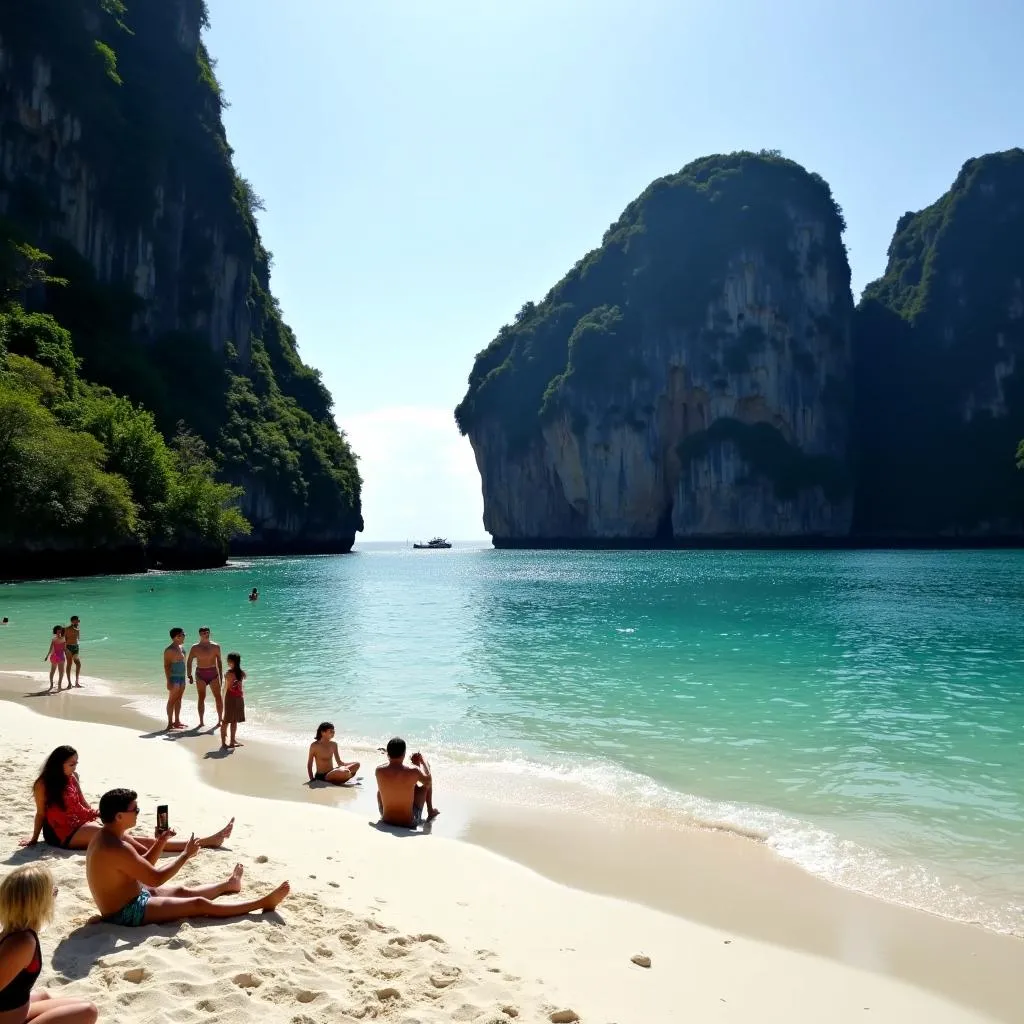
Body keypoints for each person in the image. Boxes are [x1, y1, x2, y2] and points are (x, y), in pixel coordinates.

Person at [85, 788, 289, 926]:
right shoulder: (115, 846)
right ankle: (262, 903)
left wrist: (161, 841)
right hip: (124, 913)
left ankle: (228, 885)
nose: (138, 812)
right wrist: (185, 855)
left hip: (134, 894)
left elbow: (142, 865)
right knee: (198, 905)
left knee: (183, 891)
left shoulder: (108, 834)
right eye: (135, 809)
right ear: (119, 816)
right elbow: (155, 878)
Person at [20, 746, 234, 853]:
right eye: (71, 764)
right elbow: (40, 814)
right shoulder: (43, 784)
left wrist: (104, 815)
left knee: (127, 834)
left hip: (81, 823)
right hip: (61, 834)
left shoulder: (73, 778)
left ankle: (204, 841)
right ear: (59, 765)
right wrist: (33, 839)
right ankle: (176, 847)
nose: (75, 768)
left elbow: (84, 806)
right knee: (123, 840)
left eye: (76, 763)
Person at [0, 864, 98, 1023]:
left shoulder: (13, 931)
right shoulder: (22, 943)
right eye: (52, 892)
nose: (54, 895)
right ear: (38, 903)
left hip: (16, 1009)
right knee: (88, 1011)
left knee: (45, 996)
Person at [375, 738, 439, 828]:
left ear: (388, 754)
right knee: (425, 785)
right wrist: (423, 761)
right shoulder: (413, 771)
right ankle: (430, 811)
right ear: (404, 754)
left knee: (380, 791)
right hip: (408, 822)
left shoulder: (379, 770)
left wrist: (414, 766)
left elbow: (397, 774)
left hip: (386, 819)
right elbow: (428, 781)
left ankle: (388, 813)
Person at [186, 627, 223, 728]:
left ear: (210, 633)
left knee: (218, 697)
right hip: (200, 674)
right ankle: (201, 721)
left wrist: (221, 676)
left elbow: (219, 661)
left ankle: (220, 720)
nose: (205, 634)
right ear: (199, 634)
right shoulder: (195, 647)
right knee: (201, 697)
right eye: (203, 633)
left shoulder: (216, 646)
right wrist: (189, 675)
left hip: (213, 674)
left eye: (207, 633)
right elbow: (189, 661)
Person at [163, 627, 188, 731]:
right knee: (172, 700)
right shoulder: (169, 650)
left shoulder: (181, 647)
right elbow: (166, 666)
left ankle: (177, 721)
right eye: (183, 635)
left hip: (182, 677)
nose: (184, 636)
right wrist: (168, 681)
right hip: (174, 678)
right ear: (177, 637)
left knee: (179, 699)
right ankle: (169, 723)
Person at [220, 653, 245, 749]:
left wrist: (222, 698)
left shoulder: (228, 673)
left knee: (227, 720)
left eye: (228, 661)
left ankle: (227, 742)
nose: (227, 662)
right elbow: (241, 686)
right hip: (239, 698)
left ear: (231, 662)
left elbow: (225, 688)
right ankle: (230, 741)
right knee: (232, 721)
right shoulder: (241, 673)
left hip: (231, 698)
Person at [42, 628, 65, 694]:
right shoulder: (63, 639)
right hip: (59, 656)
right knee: (61, 672)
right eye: (58, 632)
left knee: (53, 671)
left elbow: (51, 648)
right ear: (56, 632)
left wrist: (47, 656)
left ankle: (52, 685)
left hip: (54, 656)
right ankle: (59, 686)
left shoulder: (54, 639)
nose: (59, 633)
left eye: (60, 632)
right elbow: (64, 649)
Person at [63, 616, 82, 689]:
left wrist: (77, 645)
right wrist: (65, 649)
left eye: (78, 621)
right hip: (68, 648)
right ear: (73, 621)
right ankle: (69, 683)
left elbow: (78, 639)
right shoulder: (66, 629)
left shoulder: (78, 630)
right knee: (69, 664)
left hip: (76, 648)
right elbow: (64, 639)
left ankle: (76, 682)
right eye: (77, 620)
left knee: (78, 664)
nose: (79, 622)